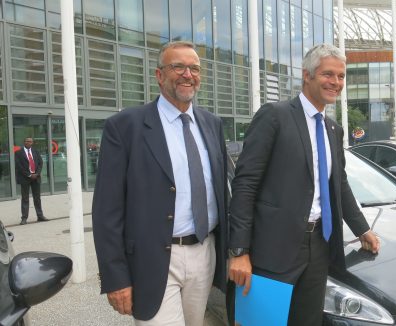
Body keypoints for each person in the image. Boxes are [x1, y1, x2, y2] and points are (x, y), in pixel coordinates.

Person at [228, 44, 380, 326]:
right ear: (306, 75)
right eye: (328, 74)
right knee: (262, 323)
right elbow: (245, 185)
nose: (335, 82)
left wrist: (362, 228)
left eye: (341, 76)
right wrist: (239, 251)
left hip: (318, 248)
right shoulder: (275, 116)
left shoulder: (333, 130)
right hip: (271, 250)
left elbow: (340, 184)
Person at [92, 41, 229, 325]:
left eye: (194, 68)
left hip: (205, 253)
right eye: (178, 66)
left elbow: (224, 194)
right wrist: (115, 276)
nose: (187, 74)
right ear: (159, 75)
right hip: (154, 260)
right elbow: (107, 210)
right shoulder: (125, 127)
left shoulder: (212, 124)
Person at [15, 137, 47, 225]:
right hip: (25, 178)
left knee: (37, 198)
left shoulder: (35, 151)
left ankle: (40, 216)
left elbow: (40, 163)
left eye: (30, 141)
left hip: (36, 177)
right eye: (27, 141)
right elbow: (19, 166)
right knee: (25, 198)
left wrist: (37, 173)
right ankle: (24, 218)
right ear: (24, 142)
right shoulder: (18, 153)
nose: (28, 143)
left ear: (32, 143)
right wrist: (29, 175)